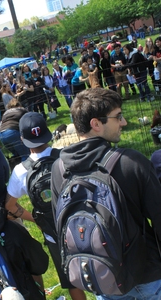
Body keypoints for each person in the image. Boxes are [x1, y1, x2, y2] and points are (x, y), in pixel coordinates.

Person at [51, 88, 161, 300]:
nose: (124, 122)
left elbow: (60, 227)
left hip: (102, 276)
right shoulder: (130, 162)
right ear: (96, 124)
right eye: (118, 116)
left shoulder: (59, 169)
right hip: (146, 275)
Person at [5, 112, 86, 300]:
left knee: (70, 279)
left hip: (52, 232)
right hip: (79, 221)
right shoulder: (65, 155)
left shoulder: (21, 171)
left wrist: (34, 218)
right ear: (47, 133)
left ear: (23, 139)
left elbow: (9, 205)